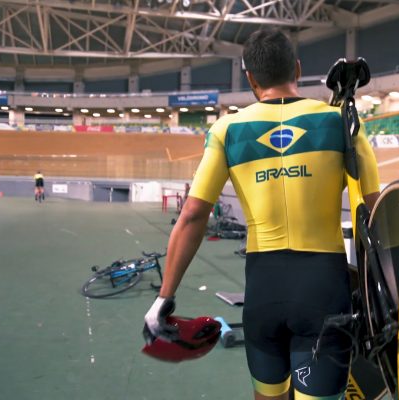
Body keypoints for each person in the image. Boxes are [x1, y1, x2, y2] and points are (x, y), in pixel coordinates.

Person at [144, 28, 380, 400]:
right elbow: (377, 210)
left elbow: (192, 215)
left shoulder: (226, 129)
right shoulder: (341, 122)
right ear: (297, 70)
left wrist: (164, 297)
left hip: (263, 293)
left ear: (251, 79)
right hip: (324, 292)